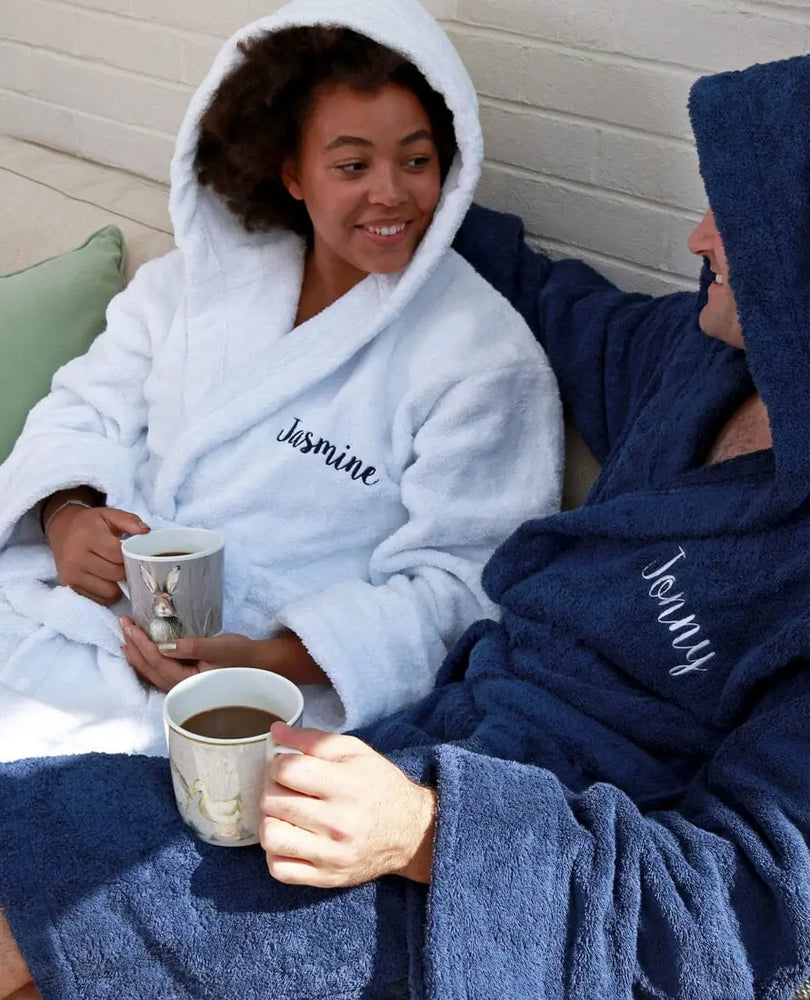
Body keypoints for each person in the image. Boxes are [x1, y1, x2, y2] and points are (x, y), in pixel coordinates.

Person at [2, 47, 810, 1000]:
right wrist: (371, 183)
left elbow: (734, 920)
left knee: (76, 904)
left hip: (505, 905)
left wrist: (428, 834)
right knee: (39, 829)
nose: (699, 239)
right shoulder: (708, 361)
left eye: (735, 220)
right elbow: (546, 293)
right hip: (425, 755)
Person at [0, 0, 563, 759]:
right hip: (74, 613)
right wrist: (66, 515)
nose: (391, 193)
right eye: (353, 165)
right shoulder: (189, 286)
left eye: (417, 160)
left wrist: (266, 660)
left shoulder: (481, 359)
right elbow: (80, 408)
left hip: (259, 691)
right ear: (293, 173)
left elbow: (462, 585)